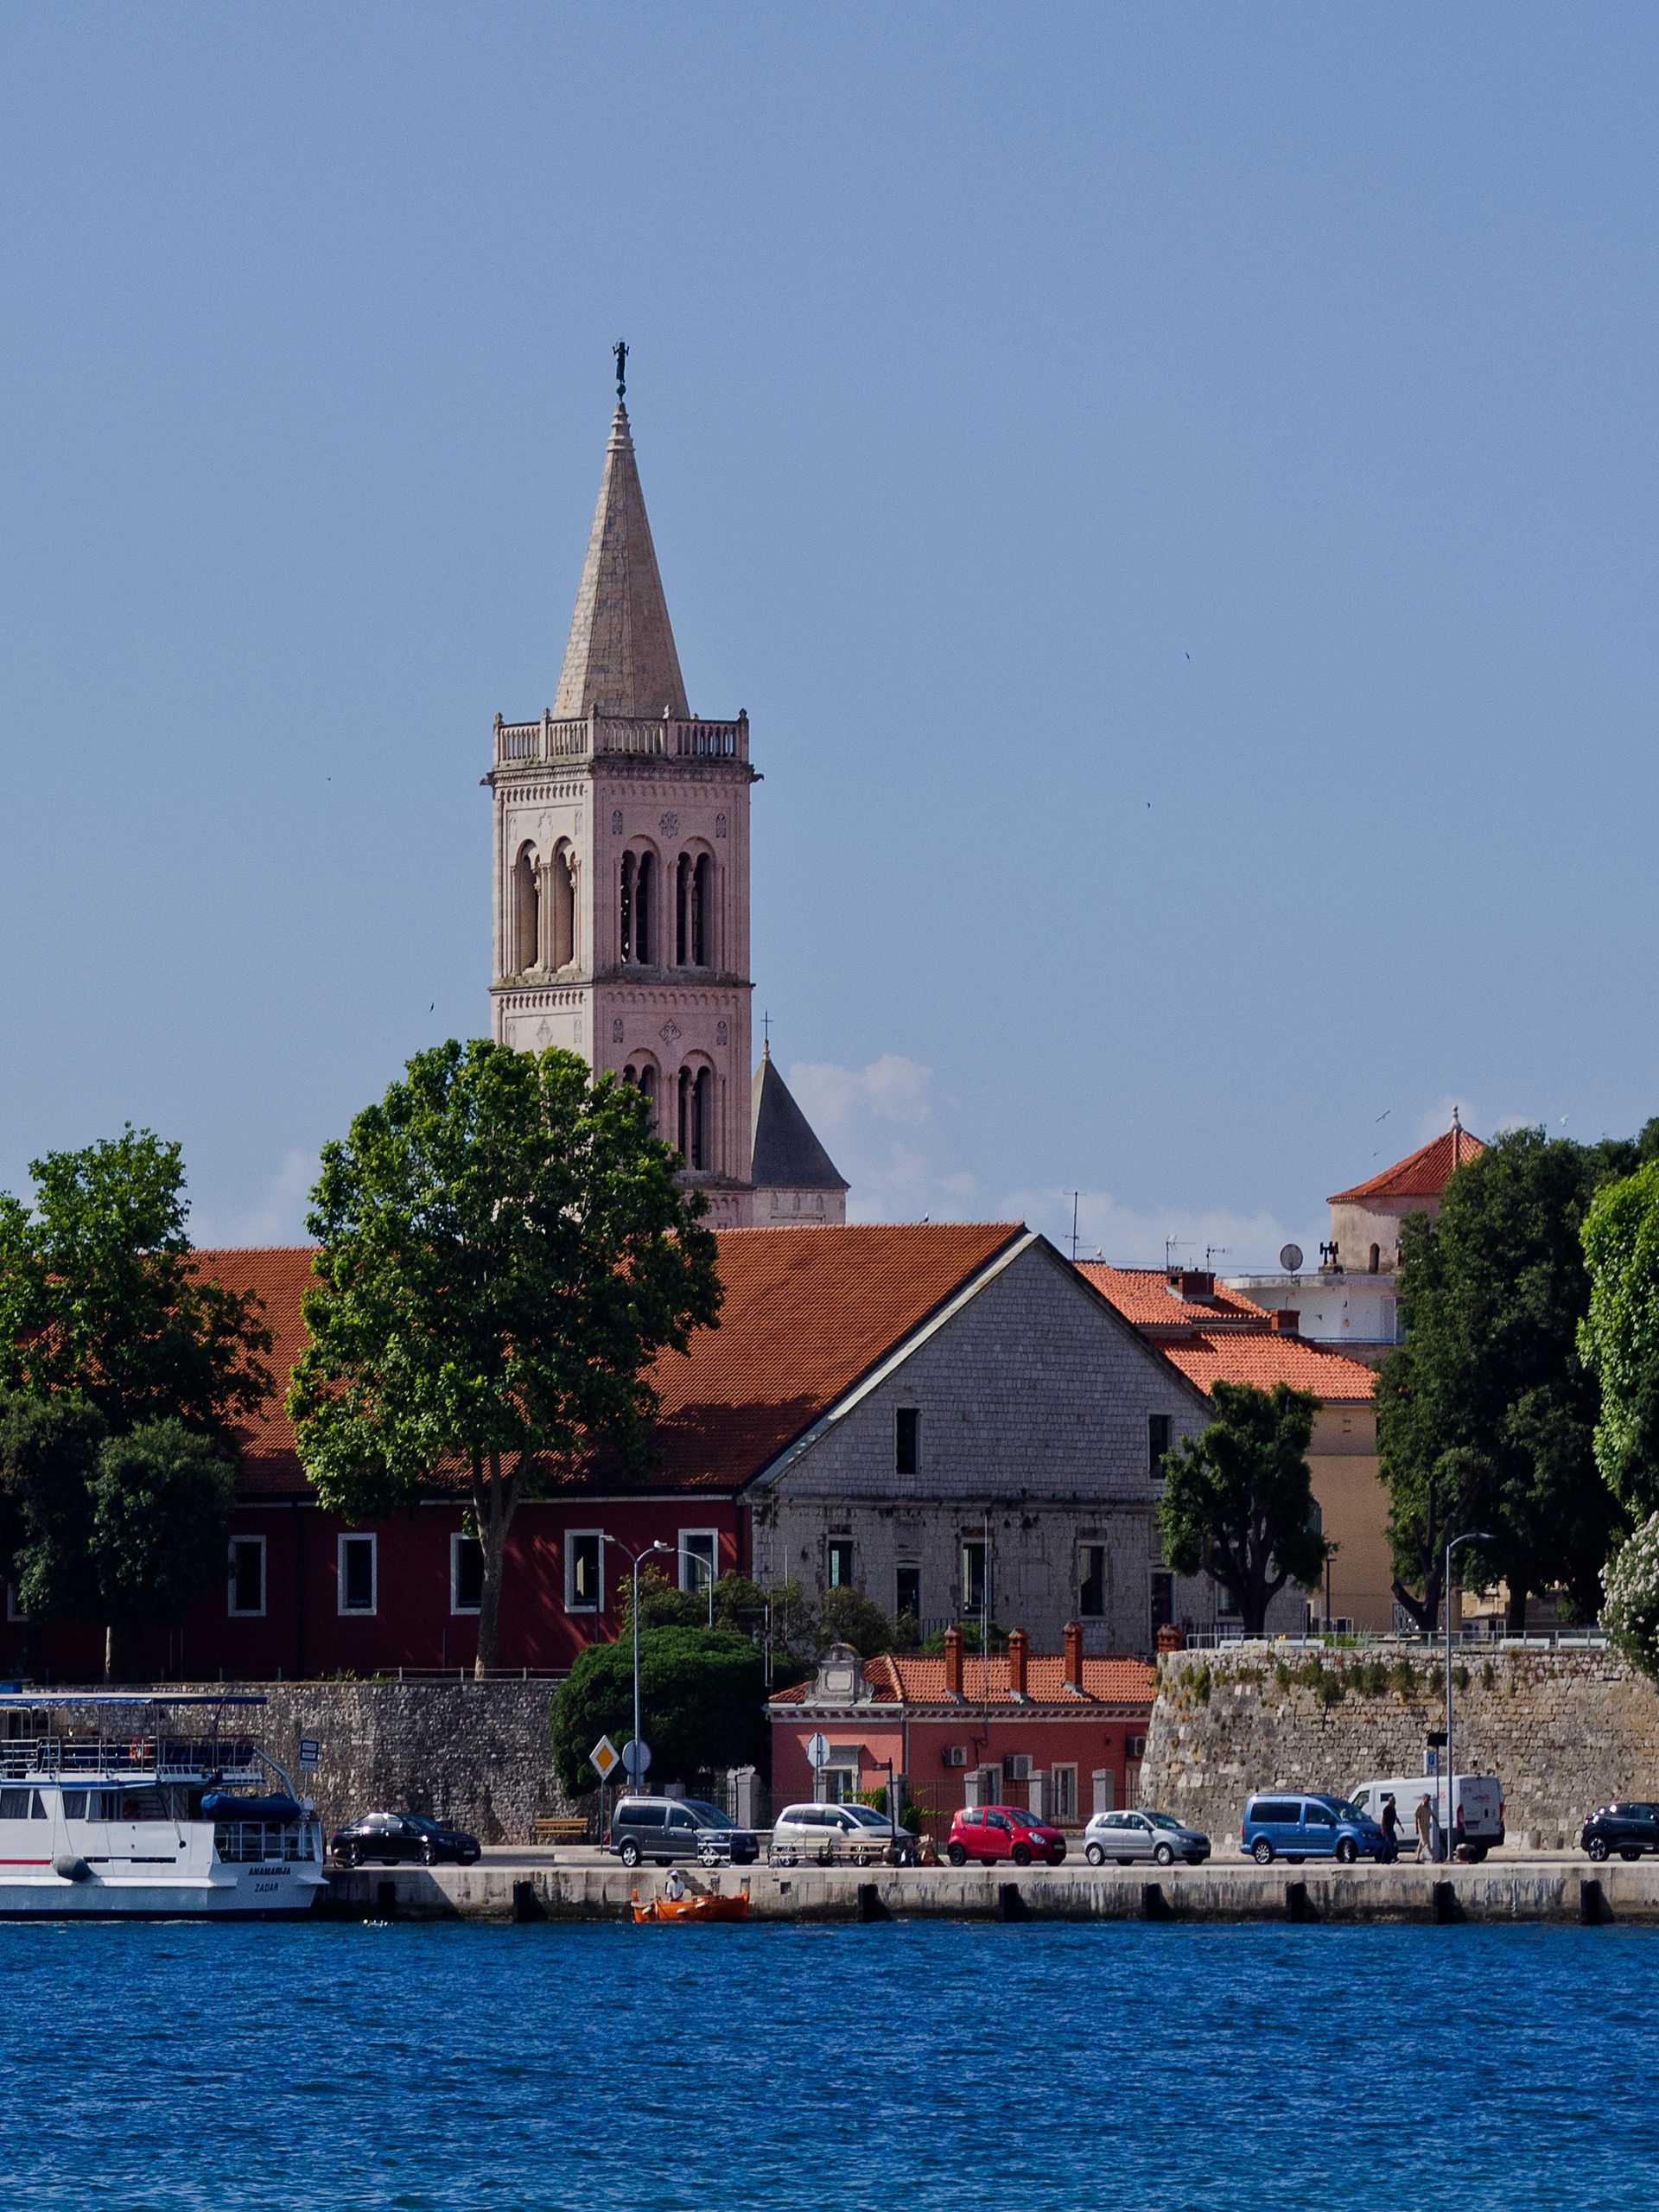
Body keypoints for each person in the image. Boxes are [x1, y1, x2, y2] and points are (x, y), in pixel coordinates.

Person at [1380, 1793, 1401, 1864]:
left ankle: (1383, 1860)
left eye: (1395, 1802)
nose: (1395, 1803)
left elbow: (1395, 1817)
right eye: (1393, 1802)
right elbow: (1383, 1820)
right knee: (1391, 1844)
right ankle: (1395, 1858)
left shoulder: (1393, 1809)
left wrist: (1400, 1825)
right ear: (1390, 1802)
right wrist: (1383, 1830)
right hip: (1387, 1828)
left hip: (1391, 1828)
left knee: (1387, 1845)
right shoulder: (1386, 1809)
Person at [1414, 1794, 1434, 1863]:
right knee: (1426, 1843)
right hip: (1421, 1828)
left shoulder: (1428, 1807)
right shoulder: (1420, 1807)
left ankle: (1417, 1858)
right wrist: (1416, 1828)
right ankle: (1433, 1856)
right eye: (1427, 1799)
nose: (1428, 1801)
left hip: (1426, 1827)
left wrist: (1436, 1822)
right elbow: (1416, 1817)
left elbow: (1432, 1814)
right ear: (1424, 1798)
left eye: (1429, 1799)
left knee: (1421, 1843)